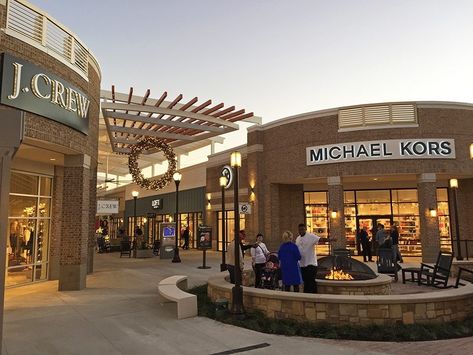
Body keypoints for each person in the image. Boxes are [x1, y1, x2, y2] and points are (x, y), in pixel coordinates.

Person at [295, 223, 332, 293]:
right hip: (302, 264)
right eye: (300, 230)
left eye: (302, 229)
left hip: (311, 263)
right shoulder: (298, 239)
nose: (301, 231)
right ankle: (307, 296)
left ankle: (314, 296)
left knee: (311, 281)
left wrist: (330, 240)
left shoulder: (311, 236)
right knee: (305, 281)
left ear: (305, 229)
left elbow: (320, 239)